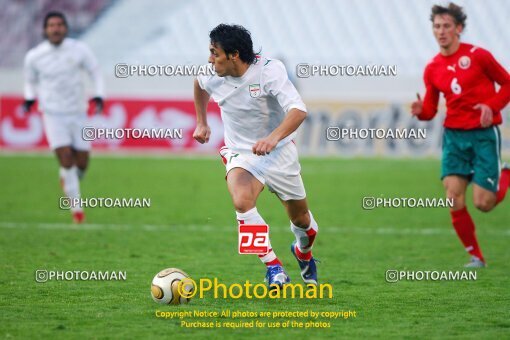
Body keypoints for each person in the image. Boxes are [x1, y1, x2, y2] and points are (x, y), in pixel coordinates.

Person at [193, 24, 319, 288]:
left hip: (280, 153)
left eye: (214, 53)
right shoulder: (211, 73)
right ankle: (273, 266)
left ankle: (302, 252)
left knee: (302, 222)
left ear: (234, 55)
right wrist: (202, 122)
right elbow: (199, 84)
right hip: (241, 153)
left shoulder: (269, 71)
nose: (209, 59)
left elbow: (298, 110)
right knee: (241, 201)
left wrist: (273, 138)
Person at [411, 3, 510, 267]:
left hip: (482, 136)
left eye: (446, 26)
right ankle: (476, 256)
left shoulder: (479, 56)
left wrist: (492, 105)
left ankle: (506, 173)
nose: (441, 31)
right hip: (454, 138)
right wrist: (422, 112)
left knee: (484, 203)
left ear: (459, 29)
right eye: (436, 27)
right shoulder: (432, 68)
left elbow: (507, 82)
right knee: (453, 198)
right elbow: (431, 109)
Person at [24, 11, 104, 223]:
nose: (56, 28)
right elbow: (29, 81)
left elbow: (95, 71)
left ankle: (68, 180)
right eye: (51, 25)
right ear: (45, 29)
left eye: (59, 24)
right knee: (65, 158)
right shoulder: (35, 56)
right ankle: (77, 209)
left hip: (78, 112)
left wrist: (98, 94)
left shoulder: (79, 50)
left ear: (66, 28)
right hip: (52, 114)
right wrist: (30, 97)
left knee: (82, 163)